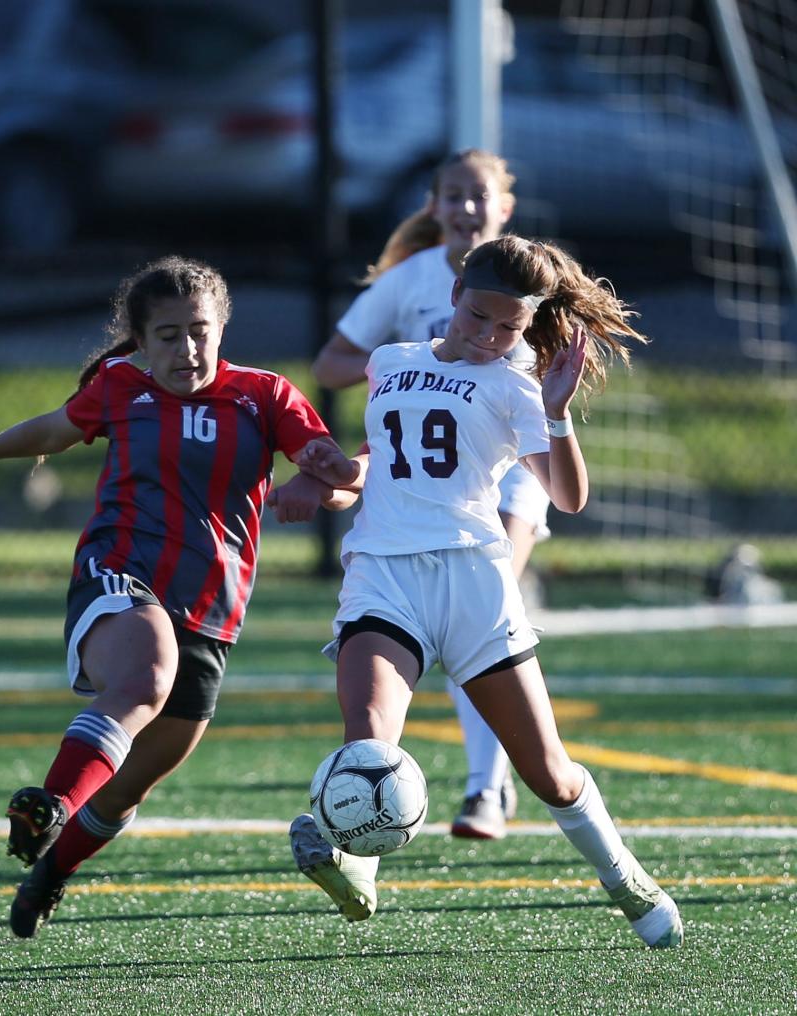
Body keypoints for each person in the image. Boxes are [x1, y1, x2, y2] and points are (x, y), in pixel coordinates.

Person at [285, 235, 684, 948]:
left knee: (550, 776)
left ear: (527, 325)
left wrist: (557, 414)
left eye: (509, 327)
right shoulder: (390, 363)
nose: (489, 336)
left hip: (474, 584)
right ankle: (357, 869)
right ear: (453, 299)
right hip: (385, 576)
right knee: (369, 741)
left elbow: (568, 497)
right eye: (478, 318)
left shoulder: (516, 386)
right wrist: (335, 471)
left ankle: (625, 876)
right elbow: (385, 466)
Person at [0, 255, 352, 939]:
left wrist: (323, 483)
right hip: (119, 572)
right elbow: (53, 430)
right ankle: (50, 801)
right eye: (168, 334)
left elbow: (335, 469)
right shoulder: (120, 386)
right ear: (140, 339)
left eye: (199, 331)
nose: (186, 348)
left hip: (213, 611)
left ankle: (51, 870)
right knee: (146, 675)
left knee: (130, 785)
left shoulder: (265, 396)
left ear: (221, 329)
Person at [312, 149, 550, 839]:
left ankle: (485, 787)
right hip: (426, 478)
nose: (466, 207)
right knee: (441, 624)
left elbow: (552, 374)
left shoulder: (528, 278)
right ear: (433, 205)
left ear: (504, 207)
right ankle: (371, 807)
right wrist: (415, 368)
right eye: (454, 195)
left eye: (480, 196)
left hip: (504, 469)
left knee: (475, 616)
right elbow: (331, 361)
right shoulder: (411, 281)